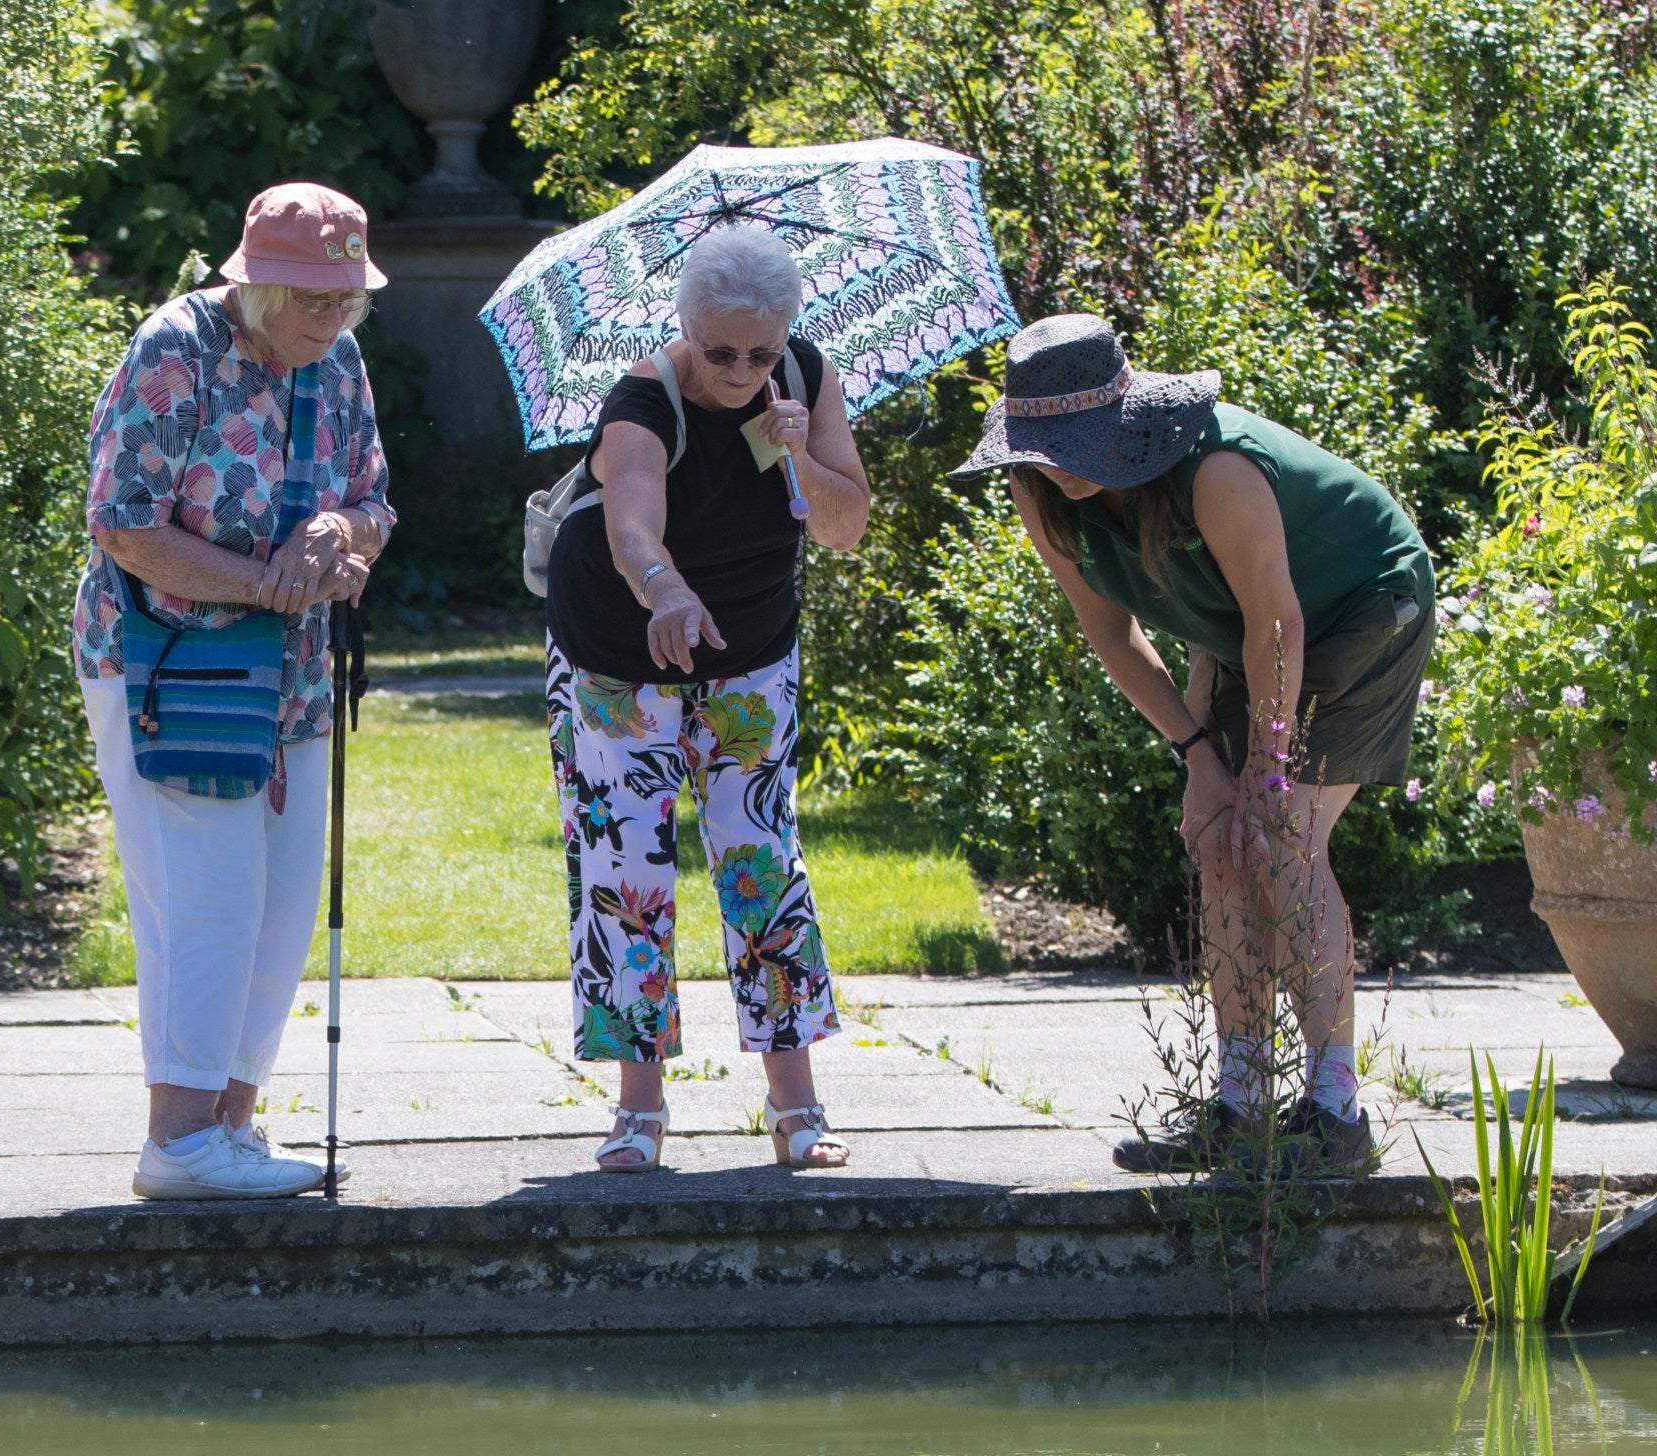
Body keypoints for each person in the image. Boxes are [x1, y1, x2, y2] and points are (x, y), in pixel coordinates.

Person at [951, 313, 1435, 1176]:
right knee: (1222, 843)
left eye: (1072, 442)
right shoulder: (1039, 489)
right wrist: (1202, 761)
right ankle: (1243, 1107)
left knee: (1282, 839)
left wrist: (1268, 768)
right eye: (1041, 443)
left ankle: (1335, 1115)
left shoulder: (1215, 470)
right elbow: (1112, 631)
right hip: (1242, 632)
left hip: (1360, 611)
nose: (1053, 461)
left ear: (1122, 427)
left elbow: (1278, 623)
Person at [77, 182, 393, 1199]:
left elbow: (374, 500)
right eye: (313, 300)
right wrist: (264, 582)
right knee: (204, 902)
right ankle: (176, 1144)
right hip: (170, 661)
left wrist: (338, 539)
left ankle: (232, 1129)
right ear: (254, 288)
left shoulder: (337, 363)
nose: (334, 318)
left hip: (293, 672)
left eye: (347, 298)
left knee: (279, 906)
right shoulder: (175, 349)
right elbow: (126, 525)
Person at [543, 225, 872, 1174]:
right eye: (719, 350)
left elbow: (845, 526)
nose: (739, 368)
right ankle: (639, 1109)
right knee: (626, 867)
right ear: (684, 326)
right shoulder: (643, 399)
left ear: (786, 334)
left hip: (752, 648)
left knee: (762, 858)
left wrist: (801, 454)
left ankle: (795, 1104)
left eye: (759, 351)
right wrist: (669, 592)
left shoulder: (804, 380)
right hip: (618, 646)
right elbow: (633, 522)